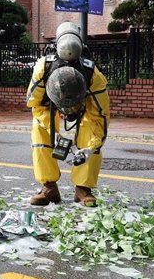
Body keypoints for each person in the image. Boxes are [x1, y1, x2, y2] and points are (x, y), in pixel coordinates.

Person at [25, 21, 110, 207]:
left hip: (84, 108)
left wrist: (90, 148)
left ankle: (83, 188)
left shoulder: (93, 76)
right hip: (49, 108)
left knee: (90, 130)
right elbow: (34, 104)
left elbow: (100, 116)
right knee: (38, 130)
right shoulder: (43, 69)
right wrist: (53, 130)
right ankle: (48, 187)